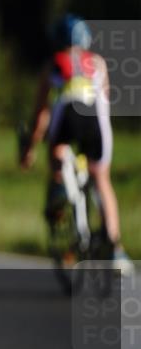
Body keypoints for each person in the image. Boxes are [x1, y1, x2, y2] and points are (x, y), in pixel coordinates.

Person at [20, 14, 133, 274]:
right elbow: (105, 101)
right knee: (101, 179)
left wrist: (30, 148)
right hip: (95, 121)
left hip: (67, 116)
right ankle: (115, 248)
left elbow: (40, 115)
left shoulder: (53, 64)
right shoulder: (98, 62)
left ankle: (60, 188)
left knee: (58, 153)